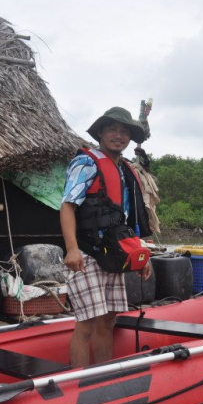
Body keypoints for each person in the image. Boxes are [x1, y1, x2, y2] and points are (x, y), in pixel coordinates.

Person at [60, 107, 153, 367]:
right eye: (113, 129)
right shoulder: (86, 162)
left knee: (109, 319)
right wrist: (71, 249)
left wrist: (141, 254)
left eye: (124, 131)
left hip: (115, 254)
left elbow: (127, 219)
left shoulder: (125, 170)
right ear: (101, 132)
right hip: (88, 253)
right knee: (87, 323)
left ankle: (102, 376)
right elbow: (67, 205)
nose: (119, 135)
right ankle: (77, 381)